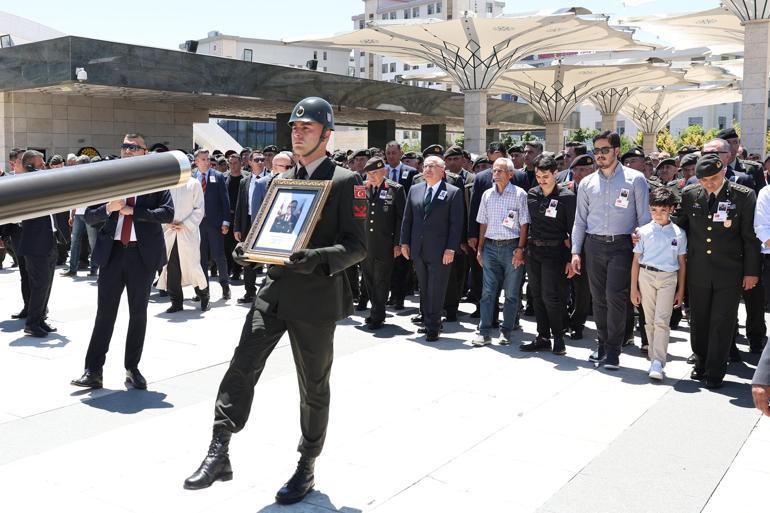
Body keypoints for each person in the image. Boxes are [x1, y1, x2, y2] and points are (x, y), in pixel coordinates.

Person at [183, 97, 367, 506]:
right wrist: (249, 249)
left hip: (317, 297)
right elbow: (275, 232)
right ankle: (220, 449)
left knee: (313, 386)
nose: (298, 133)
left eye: (307, 128)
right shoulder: (285, 180)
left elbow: (356, 248)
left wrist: (315, 258)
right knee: (242, 364)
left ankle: (307, 464)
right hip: (276, 291)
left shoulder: (344, 181)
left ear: (326, 133)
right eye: (295, 128)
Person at [71, 133, 174, 390]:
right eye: (124, 146)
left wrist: (134, 211)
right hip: (112, 254)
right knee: (105, 314)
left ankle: (132, 368)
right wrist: (108, 208)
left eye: (133, 147)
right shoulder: (109, 179)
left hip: (141, 256)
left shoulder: (155, 180)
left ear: (144, 152)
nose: (127, 151)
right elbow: (90, 216)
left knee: (138, 314)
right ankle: (93, 371)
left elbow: (168, 213)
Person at [675, 153, 759, 389]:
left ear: (723, 172)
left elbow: (750, 238)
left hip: (729, 271)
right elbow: (678, 225)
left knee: (722, 322)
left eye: (713, 178)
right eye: (703, 180)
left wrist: (751, 272)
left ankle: (715, 371)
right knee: (699, 320)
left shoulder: (742, 196)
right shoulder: (691, 194)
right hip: (699, 270)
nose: (709, 184)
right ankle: (700, 362)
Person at [571, 131, 650, 370]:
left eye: (605, 150)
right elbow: (580, 220)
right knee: (598, 299)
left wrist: (642, 245)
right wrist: (576, 251)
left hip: (621, 246)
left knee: (615, 297)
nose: (600, 155)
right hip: (593, 245)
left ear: (616, 151)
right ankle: (603, 344)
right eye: (596, 151)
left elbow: (644, 217)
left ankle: (614, 350)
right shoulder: (586, 183)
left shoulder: (635, 179)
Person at [401, 155, 463, 342]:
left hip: (440, 250)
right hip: (418, 249)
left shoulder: (453, 192)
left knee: (436, 289)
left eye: (432, 166)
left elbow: (456, 224)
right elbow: (407, 219)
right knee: (424, 288)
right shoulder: (415, 190)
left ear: (442, 170)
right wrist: (404, 242)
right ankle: (429, 321)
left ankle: (434, 326)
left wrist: (451, 249)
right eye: (425, 166)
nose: (427, 169)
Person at [519, 154, 575, 355]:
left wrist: (571, 258)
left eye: (546, 176)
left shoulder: (566, 197)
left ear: (555, 173)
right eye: (539, 176)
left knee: (551, 296)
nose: (542, 180)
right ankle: (542, 336)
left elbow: (572, 229)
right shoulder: (532, 194)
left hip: (556, 251)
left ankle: (558, 337)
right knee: (536, 295)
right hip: (534, 250)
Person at [471, 157, 530, 346]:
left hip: (511, 247)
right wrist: (480, 248)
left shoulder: (520, 194)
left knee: (512, 293)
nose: (495, 174)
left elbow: (524, 224)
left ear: (510, 174)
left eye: (500, 171)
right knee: (488, 292)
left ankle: (506, 330)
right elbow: (483, 223)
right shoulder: (487, 195)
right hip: (490, 246)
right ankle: (484, 331)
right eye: (494, 171)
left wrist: (520, 249)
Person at [630, 187, 687, 380]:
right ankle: (653, 357)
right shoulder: (643, 231)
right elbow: (636, 261)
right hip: (646, 276)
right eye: (654, 210)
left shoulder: (679, 233)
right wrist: (633, 289)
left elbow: (681, 263)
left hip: (668, 278)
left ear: (671, 209)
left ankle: (658, 361)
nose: (658, 215)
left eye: (663, 210)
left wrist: (681, 290)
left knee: (662, 321)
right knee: (649, 320)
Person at [360, 157, 405, 329]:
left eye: (375, 172)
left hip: (385, 242)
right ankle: (377, 311)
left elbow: (401, 219)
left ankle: (377, 315)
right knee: (369, 279)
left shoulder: (395, 189)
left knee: (381, 280)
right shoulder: (361, 188)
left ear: (384, 172)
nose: (372, 175)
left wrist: (398, 243)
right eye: (369, 172)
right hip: (366, 242)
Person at [17, 151, 59, 337]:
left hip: (49, 241)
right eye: (40, 165)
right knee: (39, 285)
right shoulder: (27, 184)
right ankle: (32, 323)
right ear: (29, 166)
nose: (45, 167)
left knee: (47, 284)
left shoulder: (42, 181)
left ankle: (40, 319)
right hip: (35, 245)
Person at [157, 172, 210, 313]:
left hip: (187, 232)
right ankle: (176, 302)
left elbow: (199, 208)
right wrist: (166, 222)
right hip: (170, 232)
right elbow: (159, 206)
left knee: (193, 266)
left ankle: (204, 295)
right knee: (171, 268)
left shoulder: (194, 183)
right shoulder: (165, 184)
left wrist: (185, 224)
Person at [194, 149, 232, 301]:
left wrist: (226, 221)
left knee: (219, 256)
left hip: (215, 224)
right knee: (200, 259)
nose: (206, 161)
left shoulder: (218, 176)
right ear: (196, 161)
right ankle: (203, 291)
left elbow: (225, 200)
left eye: (207, 159)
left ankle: (225, 286)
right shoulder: (191, 177)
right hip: (197, 224)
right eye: (203, 159)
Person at [223, 152, 249, 281]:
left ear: (241, 163)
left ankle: (238, 271)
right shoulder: (223, 178)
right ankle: (228, 269)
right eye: (230, 163)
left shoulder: (247, 178)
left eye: (235, 163)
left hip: (241, 217)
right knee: (227, 246)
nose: (233, 166)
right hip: (227, 217)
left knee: (239, 245)